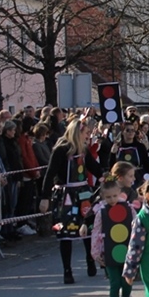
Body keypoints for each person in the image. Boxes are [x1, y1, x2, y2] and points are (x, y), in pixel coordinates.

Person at [39, 116, 102, 284]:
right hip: (65, 194)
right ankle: (67, 269)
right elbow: (50, 173)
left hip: (83, 193)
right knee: (65, 232)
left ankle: (90, 261)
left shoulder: (83, 149)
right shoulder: (61, 149)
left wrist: (104, 176)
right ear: (78, 132)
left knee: (87, 228)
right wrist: (44, 197)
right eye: (87, 132)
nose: (89, 135)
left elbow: (92, 167)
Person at [87, 175, 133, 297]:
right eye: (108, 197)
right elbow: (96, 232)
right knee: (114, 282)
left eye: (114, 196)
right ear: (102, 197)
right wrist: (95, 253)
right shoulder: (101, 212)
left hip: (127, 251)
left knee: (127, 279)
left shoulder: (129, 209)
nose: (112, 199)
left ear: (120, 193)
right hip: (109, 251)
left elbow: (136, 228)